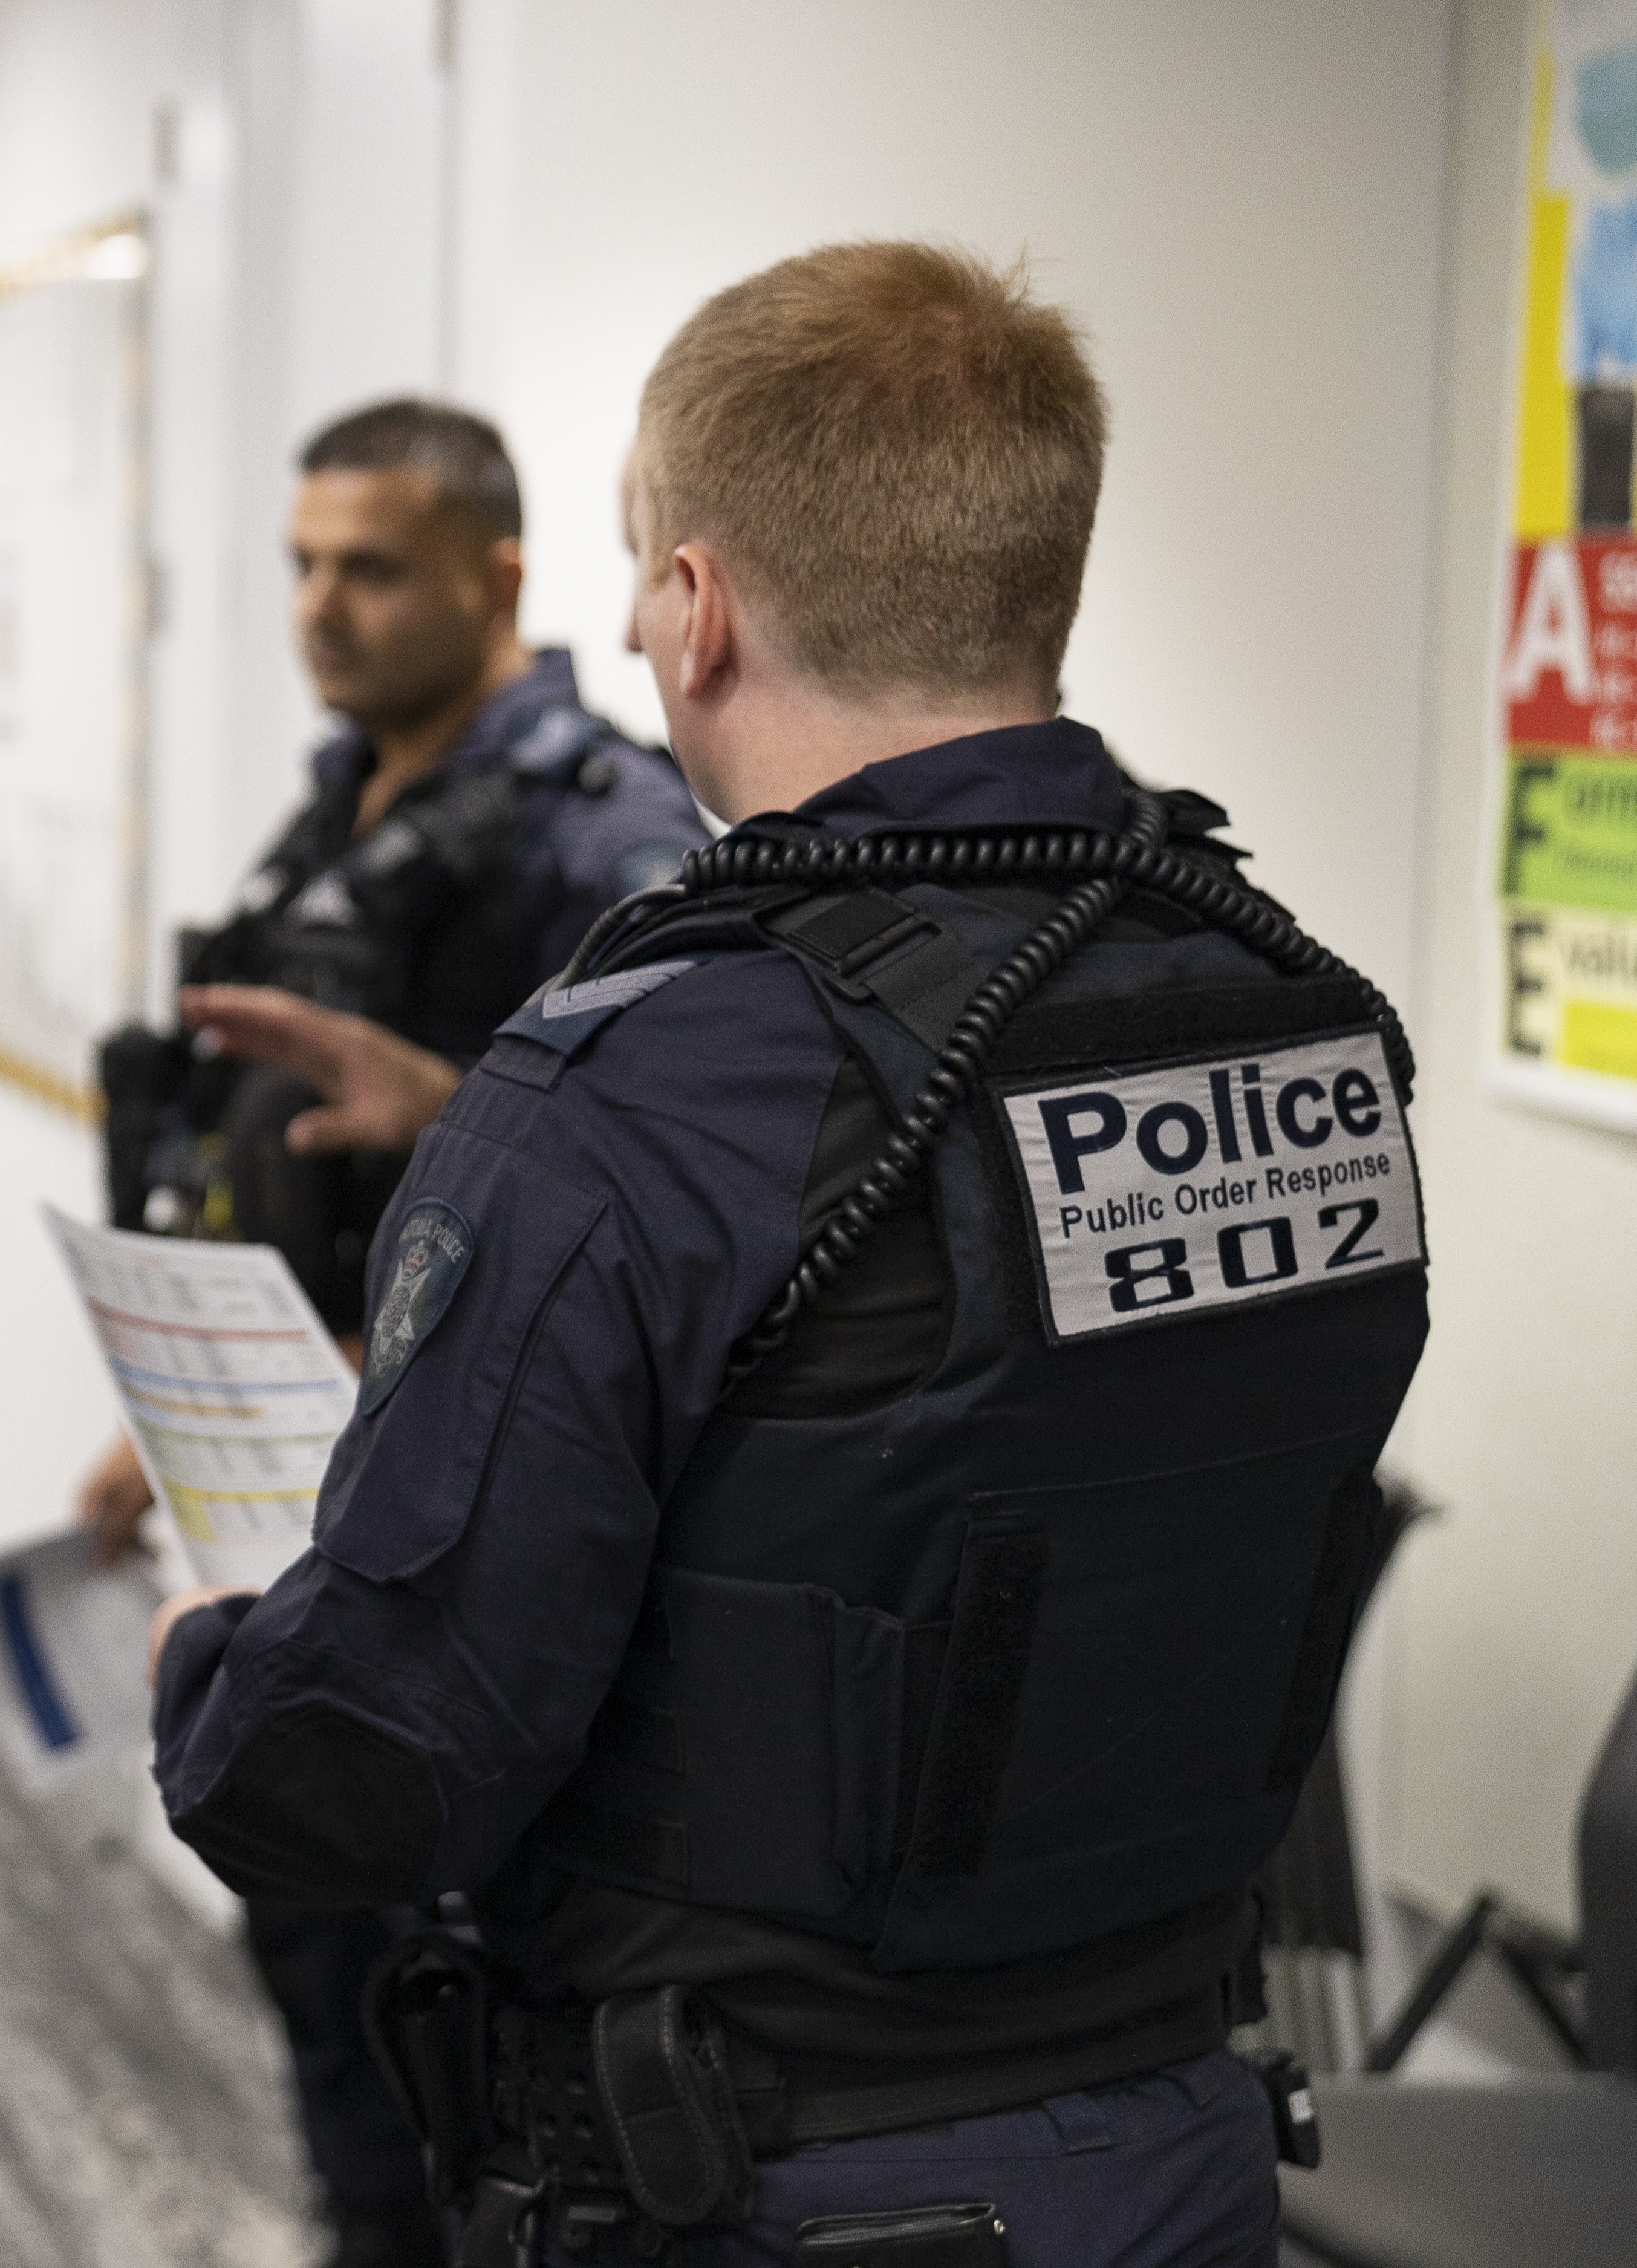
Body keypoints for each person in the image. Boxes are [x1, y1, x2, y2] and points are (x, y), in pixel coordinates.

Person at [146, 243, 1427, 2264]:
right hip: (1185, 2154)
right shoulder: (1293, 1011)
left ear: (694, 603)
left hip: (769, 2184)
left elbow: (362, 1779)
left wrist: (209, 1663)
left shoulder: (649, 1087)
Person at [79, 401, 706, 2268]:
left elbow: (677, 1200)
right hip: (291, 1485)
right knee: (334, 2028)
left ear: (494, 576)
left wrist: (452, 1107)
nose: (319, 608)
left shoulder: (607, 834)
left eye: (368, 568)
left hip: (463, 1537)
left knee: (451, 2086)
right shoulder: (343, 804)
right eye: (299, 565)